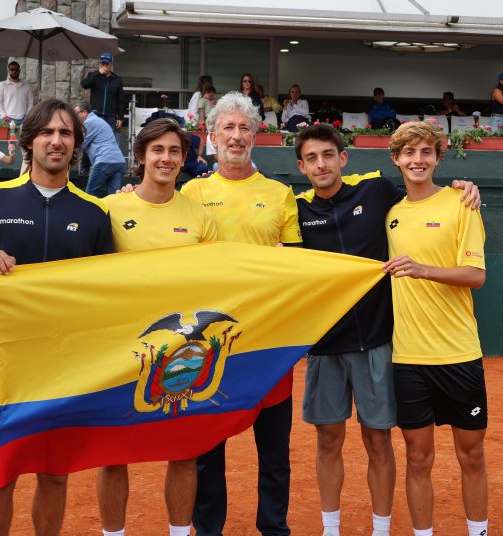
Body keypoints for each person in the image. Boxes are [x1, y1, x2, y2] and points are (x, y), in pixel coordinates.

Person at [294, 124, 479, 536]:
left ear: (343, 159)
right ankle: (330, 529)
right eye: (311, 158)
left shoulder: (375, 192)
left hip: (376, 342)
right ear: (302, 167)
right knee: (328, 441)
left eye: (328, 155)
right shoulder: (296, 210)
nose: (321, 164)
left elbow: (422, 193)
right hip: (324, 346)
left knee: (378, 442)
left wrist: (463, 187)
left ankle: (381, 529)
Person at [0, 99, 114, 536]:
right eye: (47, 132)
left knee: (55, 476)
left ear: (76, 144)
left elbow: (107, 296)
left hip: (65, 370)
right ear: (29, 141)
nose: (56, 141)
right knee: (0, 477)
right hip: (4, 369)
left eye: (66, 133)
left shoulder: (95, 213)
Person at [182, 92, 302, 536]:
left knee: (274, 450)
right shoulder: (190, 193)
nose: (236, 136)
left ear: (255, 136)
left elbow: (297, 265)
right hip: (208, 341)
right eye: (228, 128)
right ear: (212, 136)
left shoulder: (280, 194)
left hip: (269, 342)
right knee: (207, 449)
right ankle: (208, 529)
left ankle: (274, 528)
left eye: (244, 128)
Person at [98, 118, 217, 536]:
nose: (166, 159)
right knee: (114, 456)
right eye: (158, 150)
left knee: (184, 454)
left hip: (182, 350)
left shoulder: (199, 215)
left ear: (184, 160)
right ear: (141, 156)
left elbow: (215, 281)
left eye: (174, 152)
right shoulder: (110, 208)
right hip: (121, 349)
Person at [383, 121, 488, 536]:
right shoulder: (390, 214)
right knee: (417, 459)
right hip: (409, 359)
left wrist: (422, 269)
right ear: (396, 159)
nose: (418, 160)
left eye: (426, 152)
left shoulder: (462, 203)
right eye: (409, 153)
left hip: (460, 354)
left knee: (472, 456)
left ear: (438, 158)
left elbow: (476, 275)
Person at [74, 100, 126, 196]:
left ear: (84, 112)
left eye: (76, 114)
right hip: (119, 162)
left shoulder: (89, 122)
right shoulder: (98, 121)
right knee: (114, 197)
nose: (75, 117)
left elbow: (80, 144)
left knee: (90, 196)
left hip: (104, 161)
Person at [81, 52, 124, 131]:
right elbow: (84, 85)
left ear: (111, 64)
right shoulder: (94, 75)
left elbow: (120, 100)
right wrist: (98, 73)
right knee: (93, 136)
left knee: (111, 137)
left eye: (107, 64)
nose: (104, 66)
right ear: (100, 64)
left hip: (111, 116)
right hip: (96, 114)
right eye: (102, 63)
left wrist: (120, 117)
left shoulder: (117, 79)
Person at [0, 60, 35, 125]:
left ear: (19, 71)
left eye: (16, 69)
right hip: (7, 119)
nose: (14, 71)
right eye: (12, 69)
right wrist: (4, 115)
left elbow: (30, 102)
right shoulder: (3, 85)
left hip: (23, 119)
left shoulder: (26, 86)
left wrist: (27, 116)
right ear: (8, 71)